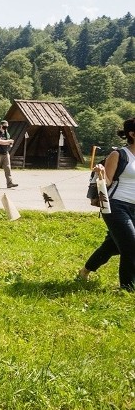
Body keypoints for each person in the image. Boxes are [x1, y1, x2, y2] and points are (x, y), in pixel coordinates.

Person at [77, 118, 135, 289]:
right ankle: (128, 287)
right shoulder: (119, 154)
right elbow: (107, 182)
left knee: (114, 245)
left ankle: (85, 270)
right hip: (116, 205)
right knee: (131, 246)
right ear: (132, 134)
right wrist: (101, 174)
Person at [0, 120, 18, 188]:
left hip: (6, 153)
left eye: (7, 126)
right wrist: (8, 141)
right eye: (4, 126)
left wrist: (9, 142)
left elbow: (8, 143)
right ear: (1, 125)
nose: (5, 127)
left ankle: (9, 183)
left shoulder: (7, 134)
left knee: (8, 168)